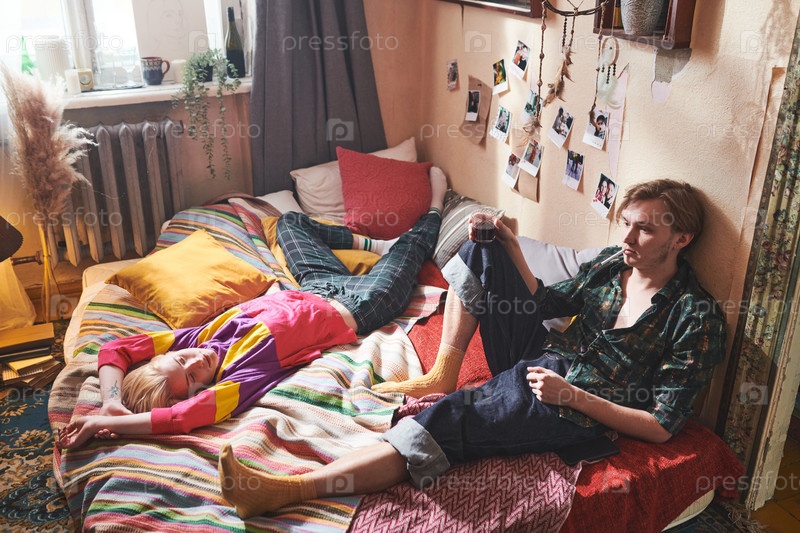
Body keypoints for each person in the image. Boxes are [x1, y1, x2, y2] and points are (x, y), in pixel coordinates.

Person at [217, 179, 726, 519]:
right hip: (547, 352)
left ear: (682, 238)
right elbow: (548, 301)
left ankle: (289, 490)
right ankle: (445, 368)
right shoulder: (615, 263)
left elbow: (661, 426)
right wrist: (511, 248)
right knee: (480, 244)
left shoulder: (695, 316)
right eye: (627, 222)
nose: (628, 236)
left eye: (645, 228)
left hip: (576, 401)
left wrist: (571, 397)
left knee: (450, 417)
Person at [57, 169, 448, 449]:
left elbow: (116, 350)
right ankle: (435, 208)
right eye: (192, 376)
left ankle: (376, 246)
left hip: (315, 285)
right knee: (412, 249)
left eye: (180, 360)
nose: (195, 361)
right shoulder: (239, 379)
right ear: (195, 391)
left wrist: (110, 403)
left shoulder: (195, 340)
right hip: (362, 304)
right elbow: (180, 418)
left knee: (290, 222)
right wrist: (120, 425)